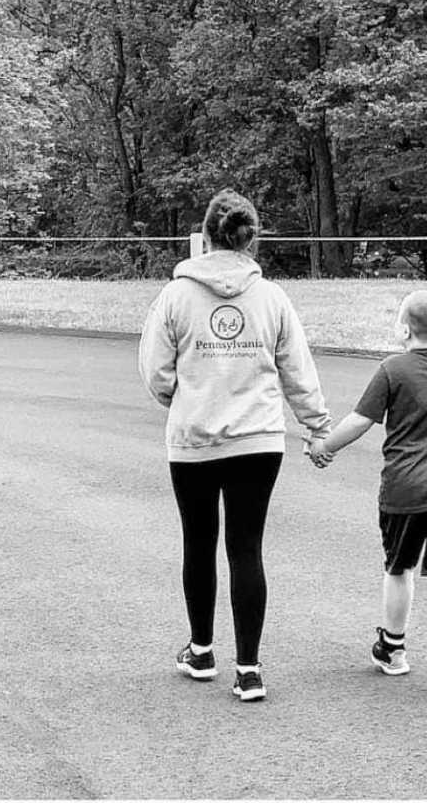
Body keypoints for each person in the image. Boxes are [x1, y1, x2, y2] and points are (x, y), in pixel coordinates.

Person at [139, 188, 331, 702]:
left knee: (198, 543)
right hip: (258, 438)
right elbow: (298, 371)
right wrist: (317, 425)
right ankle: (249, 668)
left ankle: (202, 650)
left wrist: (178, 398)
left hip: (195, 437)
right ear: (254, 237)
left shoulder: (176, 296)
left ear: (205, 236)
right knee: (246, 548)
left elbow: (155, 370)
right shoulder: (272, 298)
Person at [308, 289, 427, 692]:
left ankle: (394, 648)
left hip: (405, 489)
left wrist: (324, 446)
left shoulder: (393, 369)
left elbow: (360, 420)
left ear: (404, 328)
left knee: (400, 566)